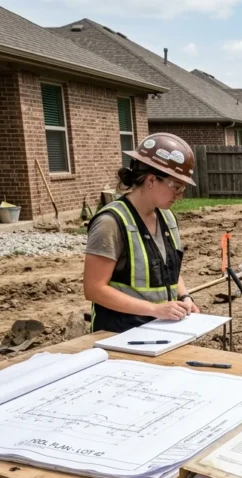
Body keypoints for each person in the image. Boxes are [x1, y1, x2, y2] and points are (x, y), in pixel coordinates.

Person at [84, 133, 199, 333]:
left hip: (161, 332)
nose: (180, 194)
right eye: (176, 186)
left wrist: (184, 297)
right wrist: (155, 309)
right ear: (151, 180)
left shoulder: (167, 218)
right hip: (119, 335)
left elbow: (168, 272)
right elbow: (94, 289)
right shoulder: (111, 223)